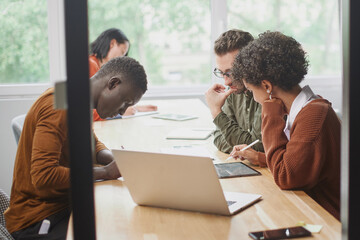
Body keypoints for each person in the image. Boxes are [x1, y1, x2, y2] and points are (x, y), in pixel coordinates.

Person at [5, 56, 148, 239]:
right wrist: (105, 172)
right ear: (113, 83)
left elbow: (90, 141)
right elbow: (44, 175)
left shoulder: (77, 98)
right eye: (125, 102)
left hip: (61, 207)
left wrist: (116, 159)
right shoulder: (58, 105)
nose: (122, 111)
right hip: (36, 221)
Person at [231, 31, 340, 220]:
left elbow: (286, 176)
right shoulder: (303, 108)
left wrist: (270, 114)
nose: (253, 97)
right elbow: (299, 161)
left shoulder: (314, 115)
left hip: (328, 219)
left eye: (250, 90)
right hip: (310, 209)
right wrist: (260, 158)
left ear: (267, 86)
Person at [205, 29, 265, 165]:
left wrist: (216, 112)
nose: (226, 82)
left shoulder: (265, 94)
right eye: (221, 73)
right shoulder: (234, 91)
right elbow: (218, 138)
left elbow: (257, 148)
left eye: (231, 72)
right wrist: (241, 146)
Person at [89, 28, 157, 121]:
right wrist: (119, 115)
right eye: (122, 52)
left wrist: (136, 108)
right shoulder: (90, 64)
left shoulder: (97, 68)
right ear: (112, 43)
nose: (122, 57)